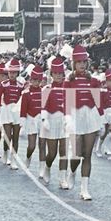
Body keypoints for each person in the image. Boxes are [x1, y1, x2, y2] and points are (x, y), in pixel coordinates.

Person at [64, 45, 103, 200]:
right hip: (75, 117)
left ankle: (84, 189)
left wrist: (102, 120)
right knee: (76, 154)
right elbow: (67, 103)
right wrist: (68, 119)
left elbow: (98, 103)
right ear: (74, 63)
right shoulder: (69, 81)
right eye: (79, 62)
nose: (82, 64)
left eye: (84, 62)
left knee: (87, 155)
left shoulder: (94, 81)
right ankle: (72, 172)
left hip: (90, 117)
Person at [40, 57, 68, 188]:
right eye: (56, 73)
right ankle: (47, 166)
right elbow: (43, 106)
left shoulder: (68, 88)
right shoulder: (46, 88)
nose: (58, 76)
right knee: (52, 152)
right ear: (51, 74)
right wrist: (45, 120)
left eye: (60, 74)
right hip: (50, 121)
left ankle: (62, 179)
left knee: (64, 151)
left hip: (64, 121)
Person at [0, 58, 25, 170]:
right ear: (7, 73)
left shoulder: (20, 85)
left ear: (17, 73)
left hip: (16, 112)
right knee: (8, 136)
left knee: (16, 137)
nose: (12, 75)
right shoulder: (3, 84)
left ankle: (13, 159)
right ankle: (5, 153)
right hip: (7, 111)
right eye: (10, 72)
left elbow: (23, 99)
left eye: (14, 72)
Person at [20, 66, 44, 177]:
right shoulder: (25, 93)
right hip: (31, 119)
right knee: (32, 146)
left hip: (42, 120)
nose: (36, 82)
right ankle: (28, 158)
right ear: (30, 80)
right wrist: (23, 124)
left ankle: (41, 168)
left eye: (38, 80)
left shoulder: (44, 92)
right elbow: (23, 110)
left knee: (42, 145)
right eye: (34, 80)